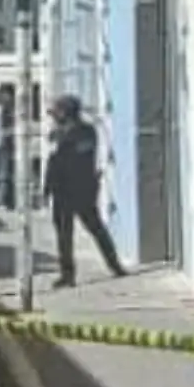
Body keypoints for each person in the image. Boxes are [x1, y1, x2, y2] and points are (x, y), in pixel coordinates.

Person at [42, 95, 126, 287]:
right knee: (65, 235)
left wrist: (48, 188)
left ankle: (114, 265)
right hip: (68, 191)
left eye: (57, 113)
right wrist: (47, 189)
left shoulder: (81, 133)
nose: (54, 117)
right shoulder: (76, 132)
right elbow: (52, 164)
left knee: (94, 229)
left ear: (65, 113)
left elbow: (58, 163)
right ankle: (68, 274)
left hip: (77, 190)